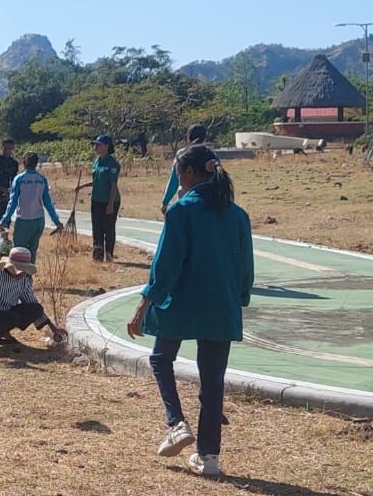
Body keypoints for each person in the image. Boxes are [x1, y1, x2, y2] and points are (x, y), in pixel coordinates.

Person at [126, 145, 254, 478]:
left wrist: (145, 303)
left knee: (160, 358)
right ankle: (208, 456)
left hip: (181, 302)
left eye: (178, 172)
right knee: (212, 382)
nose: (177, 178)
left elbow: (165, 265)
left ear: (190, 173)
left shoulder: (180, 212)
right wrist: (239, 296)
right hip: (221, 305)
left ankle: (177, 423)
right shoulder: (238, 214)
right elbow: (245, 266)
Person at [0, 247, 68, 346]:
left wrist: (53, 328)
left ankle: (1, 333)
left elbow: (31, 302)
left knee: (36, 309)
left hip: (6, 315)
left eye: (23, 271)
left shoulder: (24, 280)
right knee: (11, 317)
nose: (20, 274)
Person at [0, 153, 63, 261]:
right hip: (39, 221)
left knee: (18, 252)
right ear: (36, 163)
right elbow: (48, 203)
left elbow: (12, 203)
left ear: (24, 163)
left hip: (24, 220)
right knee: (31, 252)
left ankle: (18, 277)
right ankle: (28, 276)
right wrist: (57, 222)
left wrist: (4, 220)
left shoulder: (19, 179)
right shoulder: (42, 179)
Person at [162, 124, 210, 216]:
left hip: (185, 203)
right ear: (205, 138)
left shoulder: (182, 154)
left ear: (187, 138)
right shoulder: (211, 155)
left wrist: (165, 202)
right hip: (208, 203)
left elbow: (174, 180)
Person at [89, 135, 123, 262]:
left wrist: (110, 204)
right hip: (96, 199)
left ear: (107, 146)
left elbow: (113, 185)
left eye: (99, 144)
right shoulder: (96, 161)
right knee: (96, 228)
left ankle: (109, 255)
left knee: (108, 228)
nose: (96, 147)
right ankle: (97, 257)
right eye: (95, 144)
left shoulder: (112, 164)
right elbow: (96, 180)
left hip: (110, 200)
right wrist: (82, 186)